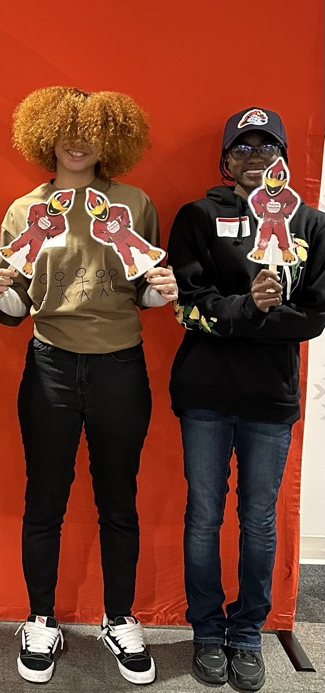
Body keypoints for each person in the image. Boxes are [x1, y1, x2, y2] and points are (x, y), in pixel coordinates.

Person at [0, 86, 177, 686]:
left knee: (117, 501)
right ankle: (39, 618)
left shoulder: (134, 203)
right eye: (66, 129)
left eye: (92, 129)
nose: (77, 140)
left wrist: (160, 291)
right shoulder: (24, 210)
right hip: (48, 365)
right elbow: (16, 308)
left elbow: (145, 291)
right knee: (44, 498)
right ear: (44, 134)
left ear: (111, 138)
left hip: (120, 366)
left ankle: (119, 617)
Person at [168, 107, 325, 691]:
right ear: (225, 159)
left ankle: (246, 632)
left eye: (268, 147)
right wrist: (249, 307)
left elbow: (314, 318)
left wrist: (247, 315)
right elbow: (188, 306)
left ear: (283, 157)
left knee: (259, 520)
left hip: (270, 399)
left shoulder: (312, 224)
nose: (255, 158)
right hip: (205, 395)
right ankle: (208, 630)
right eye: (244, 147)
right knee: (204, 516)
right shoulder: (196, 217)